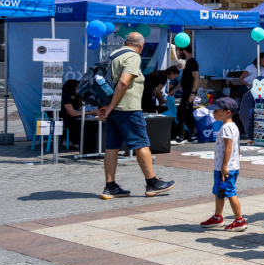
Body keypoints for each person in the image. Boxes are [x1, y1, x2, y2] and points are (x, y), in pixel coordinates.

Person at [98, 33, 176, 199]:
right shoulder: (132, 57)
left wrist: (107, 106)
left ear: (125, 42)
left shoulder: (113, 55)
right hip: (128, 108)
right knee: (141, 144)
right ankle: (152, 183)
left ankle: (110, 186)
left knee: (112, 147)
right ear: (141, 46)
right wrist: (111, 106)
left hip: (113, 109)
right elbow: (124, 82)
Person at [199, 97, 247, 231]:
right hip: (229, 167)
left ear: (228, 112)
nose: (213, 113)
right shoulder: (232, 126)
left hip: (225, 168)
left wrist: (224, 166)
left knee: (230, 192)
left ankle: (239, 221)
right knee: (219, 191)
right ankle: (217, 217)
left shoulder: (226, 128)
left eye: (216, 111)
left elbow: (229, 147)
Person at [172, 47, 200, 144]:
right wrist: (173, 91)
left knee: (180, 113)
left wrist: (192, 93)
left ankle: (181, 137)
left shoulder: (193, 62)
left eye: (179, 51)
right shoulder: (187, 63)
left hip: (189, 93)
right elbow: (183, 82)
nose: (179, 54)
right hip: (186, 92)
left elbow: (196, 78)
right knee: (187, 114)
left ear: (184, 51)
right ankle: (193, 135)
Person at [61, 79, 96, 150]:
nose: (80, 89)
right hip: (61, 120)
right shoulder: (65, 96)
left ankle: (86, 142)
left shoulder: (78, 97)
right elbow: (73, 113)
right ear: (71, 87)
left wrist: (85, 113)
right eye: (78, 87)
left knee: (85, 118)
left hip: (69, 117)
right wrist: (90, 112)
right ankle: (75, 143)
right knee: (77, 121)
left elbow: (79, 111)